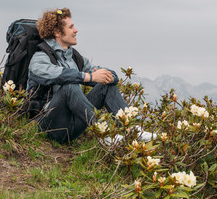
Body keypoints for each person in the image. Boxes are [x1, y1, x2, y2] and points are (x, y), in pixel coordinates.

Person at [27, 8, 142, 143]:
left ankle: (133, 131)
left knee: (106, 87)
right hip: (48, 127)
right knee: (69, 87)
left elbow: (101, 73)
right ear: (57, 32)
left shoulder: (75, 58)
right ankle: (104, 134)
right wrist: (88, 77)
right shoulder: (39, 57)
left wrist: (109, 77)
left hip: (72, 126)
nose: (76, 30)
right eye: (71, 27)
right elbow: (58, 75)